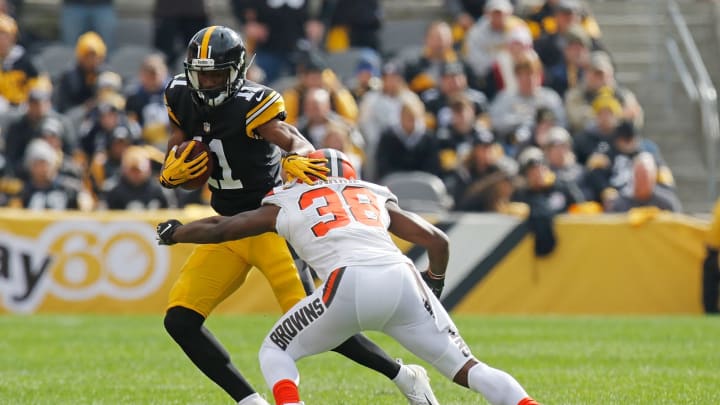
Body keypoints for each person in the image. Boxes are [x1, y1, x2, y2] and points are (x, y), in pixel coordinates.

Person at [157, 26, 437, 405]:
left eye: (215, 74)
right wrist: (172, 163)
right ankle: (249, 401)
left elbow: (294, 138)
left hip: (271, 224)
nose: (206, 83)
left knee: (319, 325)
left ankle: (405, 375)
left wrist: (298, 156)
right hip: (224, 227)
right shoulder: (180, 95)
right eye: (200, 73)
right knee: (180, 320)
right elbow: (179, 137)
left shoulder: (252, 104)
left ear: (236, 71)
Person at [156, 148, 541, 405]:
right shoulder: (371, 193)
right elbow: (437, 240)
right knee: (471, 370)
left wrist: (176, 232)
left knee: (275, 351)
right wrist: (433, 285)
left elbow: (223, 229)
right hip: (403, 277)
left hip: (348, 281)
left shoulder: (289, 200)